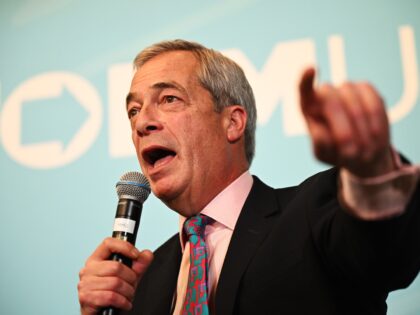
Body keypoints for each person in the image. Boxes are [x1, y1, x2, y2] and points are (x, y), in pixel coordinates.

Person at [77, 40, 420, 315]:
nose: (141, 123)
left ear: (233, 123)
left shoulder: (312, 212)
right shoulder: (140, 284)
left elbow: (387, 256)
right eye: (133, 111)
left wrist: (371, 170)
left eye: (168, 99)